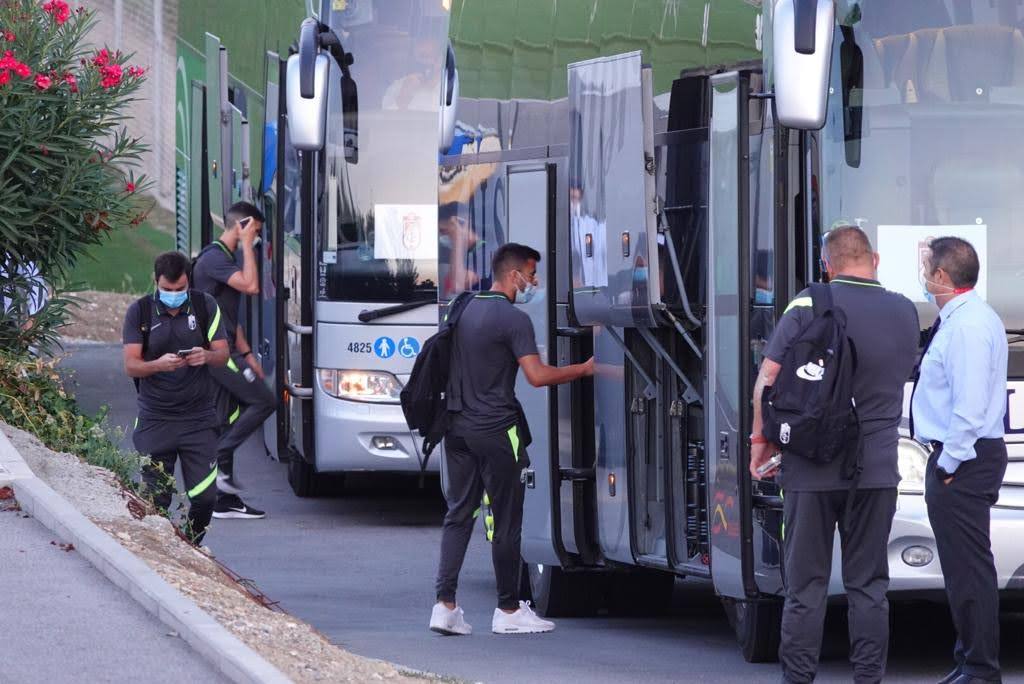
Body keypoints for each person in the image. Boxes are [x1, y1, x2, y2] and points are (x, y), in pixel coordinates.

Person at [749, 226, 919, 683]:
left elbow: (767, 379)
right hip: (878, 467)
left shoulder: (809, 303)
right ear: (875, 260)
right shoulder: (905, 311)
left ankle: (799, 678)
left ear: (828, 264)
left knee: (805, 587)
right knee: (869, 585)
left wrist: (759, 444)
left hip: (809, 466)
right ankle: (868, 678)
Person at [430, 243, 594, 636]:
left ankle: (444, 606)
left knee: (459, 513)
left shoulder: (462, 307)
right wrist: (584, 369)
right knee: (506, 520)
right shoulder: (513, 319)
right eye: (532, 274)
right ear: (513, 274)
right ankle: (507, 610)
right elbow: (537, 376)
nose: (534, 282)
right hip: (498, 431)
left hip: (456, 428)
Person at [911, 237, 1008, 684]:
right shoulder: (965, 318)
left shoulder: (967, 326)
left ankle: (980, 668)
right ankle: (969, 660)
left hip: (964, 460)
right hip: (965, 458)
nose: (924, 274)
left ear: (942, 278)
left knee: (968, 571)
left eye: (927, 267)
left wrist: (948, 464)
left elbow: (968, 409)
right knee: (963, 569)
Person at [123, 251, 228, 544]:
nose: (173, 295)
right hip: (156, 418)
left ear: (188, 282)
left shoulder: (205, 306)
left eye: (180, 289)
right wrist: (158, 364)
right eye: (167, 290)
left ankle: (191, 546)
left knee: (206, 497)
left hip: (199, 419)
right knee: (156, 499)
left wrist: (205, 355)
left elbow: (223, 355)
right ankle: (162, 551)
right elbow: (130, 364)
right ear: (155, 282)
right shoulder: (140, 312)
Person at [192, 201, 276, 520]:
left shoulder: (225, 259)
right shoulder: (215, 258)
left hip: (228, 349)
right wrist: (246, 245)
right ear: (242, 225)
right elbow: (251, 286)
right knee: (264, 401)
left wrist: (248, 354)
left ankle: (221, 501)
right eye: (255, 231)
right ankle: (220, 455)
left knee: (225, 417)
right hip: (215, 353)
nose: (257, 238)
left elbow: (230, 315)